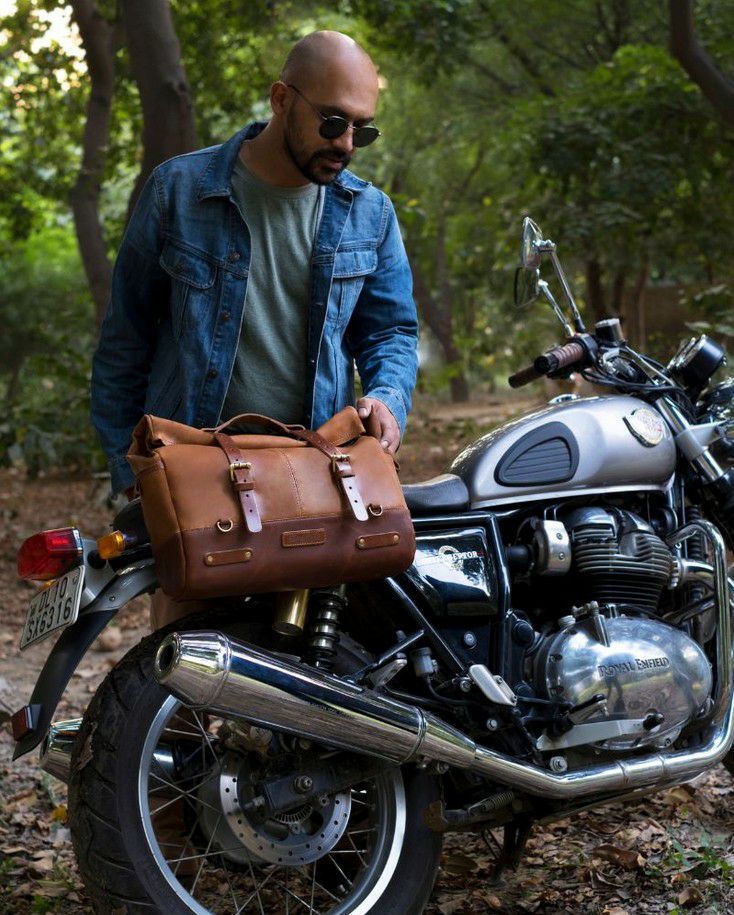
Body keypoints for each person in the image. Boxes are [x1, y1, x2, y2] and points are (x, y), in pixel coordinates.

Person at [90, 30, 419, 628]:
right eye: (333, 123)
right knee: (187, 668)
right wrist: (132, 472)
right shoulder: (178, 191)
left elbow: (391, 333)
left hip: (318, 482)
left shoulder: (371, 213)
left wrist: (388, 397)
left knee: (317, 667)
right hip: (198, 486)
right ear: (281, 99)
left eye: (363, 130)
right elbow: (123, 343)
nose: (347, 144)